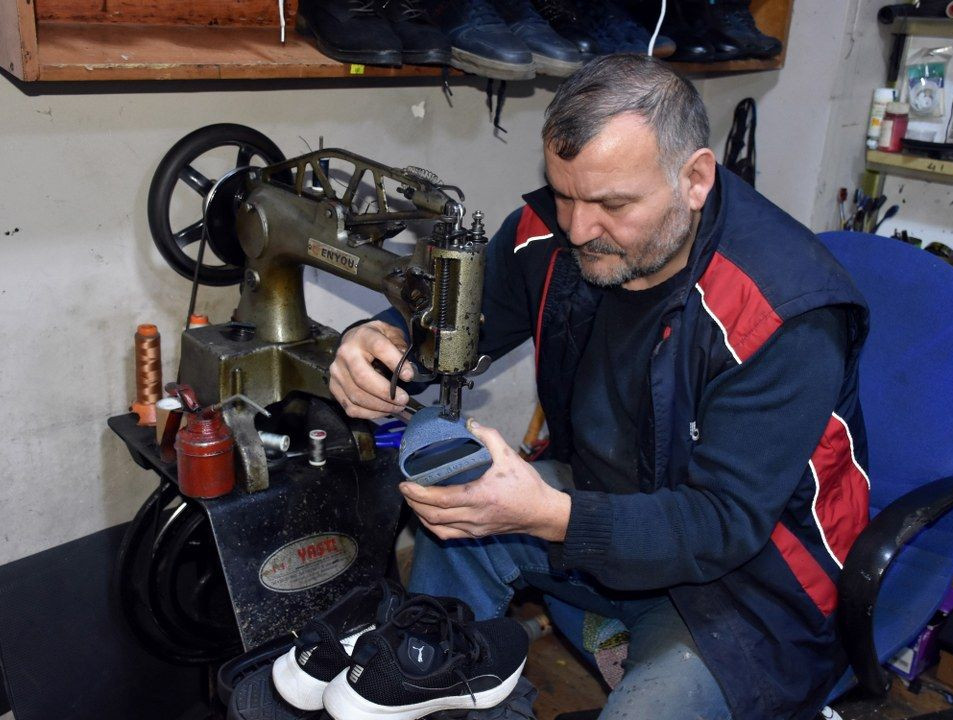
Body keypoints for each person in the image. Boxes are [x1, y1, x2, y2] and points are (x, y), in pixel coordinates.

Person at [328, 54, 871, 720]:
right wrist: (376, 343)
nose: (579, 228)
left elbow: (721, 524)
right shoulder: (550, 235)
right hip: (602, 505)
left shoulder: (781, 312)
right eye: (564, 194)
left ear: (694, 178)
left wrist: (549, 516)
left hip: (748, 586)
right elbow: (452, 327)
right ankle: (450, 682)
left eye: (611, 204)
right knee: (445, 482)